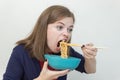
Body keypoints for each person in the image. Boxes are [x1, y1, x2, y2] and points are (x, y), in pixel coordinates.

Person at [3, 5, 97, 80]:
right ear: (44, 28)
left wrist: (90, 58)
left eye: (70, 29)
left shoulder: (66, 52)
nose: (66, 34)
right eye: (60, 27)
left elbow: (89, 70)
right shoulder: (21, 51)